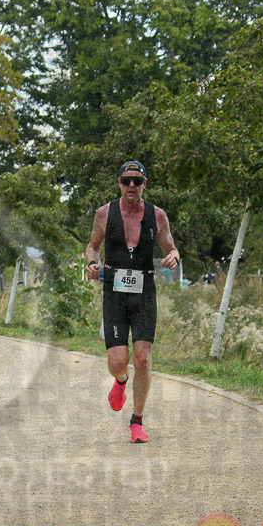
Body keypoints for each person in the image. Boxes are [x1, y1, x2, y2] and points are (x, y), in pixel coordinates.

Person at [84, 161, 180, 443]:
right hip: (114, 292)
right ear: (119, 183)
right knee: (117, 362)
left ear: (144, 184)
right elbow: (92, 246)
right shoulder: (105, 213)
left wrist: (173, 256)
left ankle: (136, 421)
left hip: (144, 292)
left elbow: (170, 247)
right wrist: (92, 262)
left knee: (143, 358)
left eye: (137, 181)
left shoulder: (157, 216)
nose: (131, 186)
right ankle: (120, 380)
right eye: (126, 181)